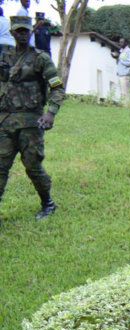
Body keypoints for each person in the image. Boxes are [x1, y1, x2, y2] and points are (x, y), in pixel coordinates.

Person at [0, 16, 64, 226]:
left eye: (25, 31)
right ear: (12, 33)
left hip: (30, 123)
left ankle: (48, 203)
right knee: (1, 166)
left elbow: (57, 87)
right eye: (18, 31)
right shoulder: (5, 58)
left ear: (30, 32)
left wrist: (51, 113)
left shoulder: (40, 58)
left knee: (33, 166)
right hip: (6, 122)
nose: (22, 34)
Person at [112, 37, 130, 106]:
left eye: (122, 42)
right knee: (122, 91)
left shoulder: (128, 51)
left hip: (126, 74)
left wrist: (120, 58)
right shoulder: (121, 51)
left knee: (125, 92)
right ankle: (124, 105)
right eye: (120, 42)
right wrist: (116, 58)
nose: (120, 43)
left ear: (126, 43)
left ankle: (126, 106)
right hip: (121, 74)